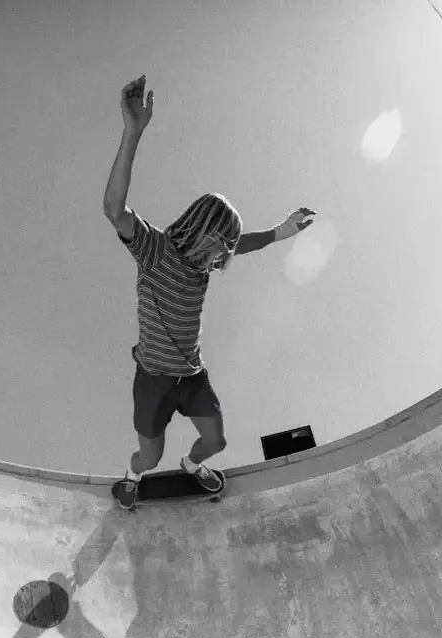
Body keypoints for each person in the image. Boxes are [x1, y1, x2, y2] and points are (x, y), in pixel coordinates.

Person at [103, 75, 316, 509]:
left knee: (216, 440)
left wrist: (282, 231)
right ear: (204, 234)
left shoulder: (204, 269)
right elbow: (114, 210)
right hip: (153, 381)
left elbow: (245, 242)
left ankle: (192, 465)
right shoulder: (155, 249)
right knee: (149, 453)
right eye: (221, 248)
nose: (223, 259)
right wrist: (133, 131)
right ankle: (131, 477)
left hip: (193, 377)